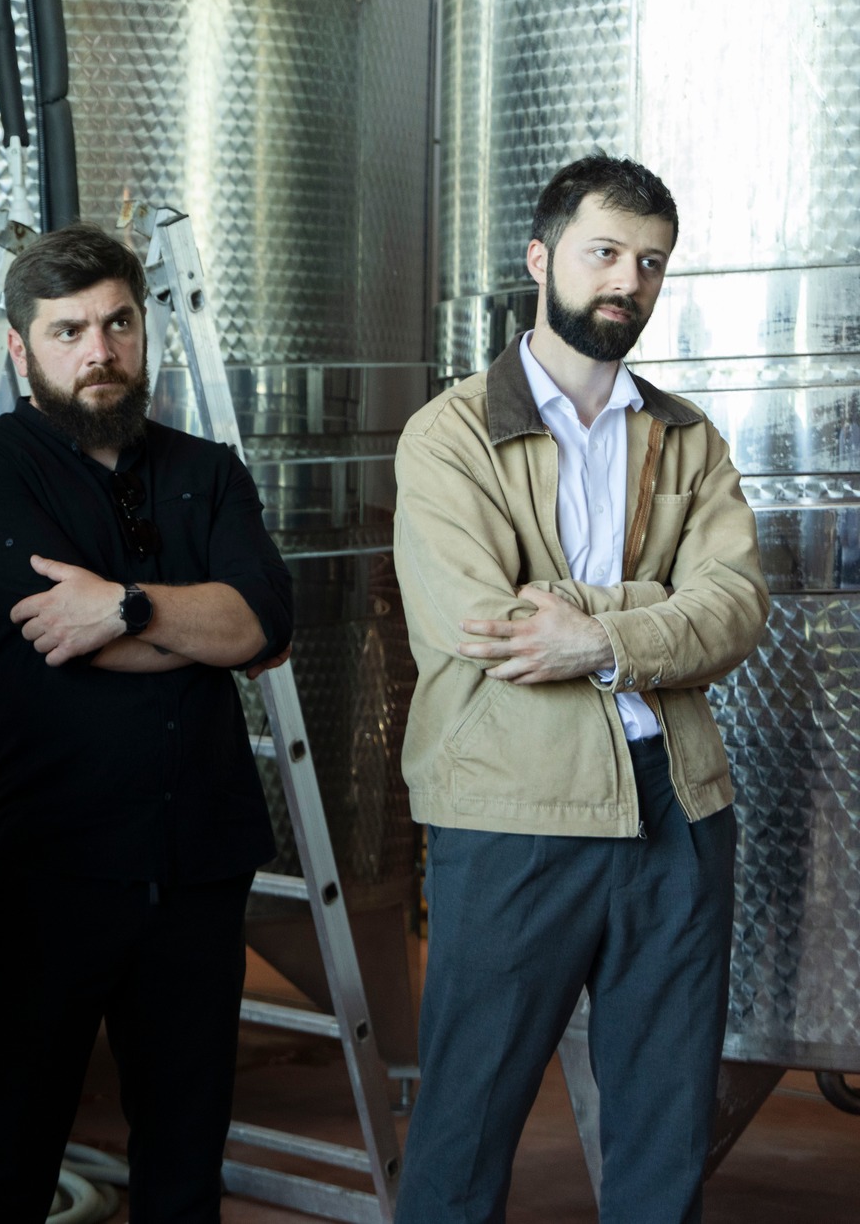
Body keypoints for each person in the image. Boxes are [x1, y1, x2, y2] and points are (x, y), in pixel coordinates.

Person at [391, 156, 767, 1223]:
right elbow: (485, 627)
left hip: (679, 809)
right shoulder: (451, 433)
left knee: (664, 1131)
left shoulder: (686, 437)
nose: (626, 281)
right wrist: (656, 616)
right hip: (512, 811)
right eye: (603, 252)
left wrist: (595, 632)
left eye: (649, 263)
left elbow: (737, 606)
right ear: (539, 258)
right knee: (465, 1128)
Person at [0, 223, 295, 1222]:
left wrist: (125, 606)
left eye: (117, 324)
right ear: (21, 350)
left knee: (184, 1158)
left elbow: (263, 625)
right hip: (48, 865)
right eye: (68, 332)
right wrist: (194, 622)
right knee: (7, 1157)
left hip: (197, 865)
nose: (99, 351)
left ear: (143, 330)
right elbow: (60, 637)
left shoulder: (207, 470)